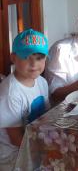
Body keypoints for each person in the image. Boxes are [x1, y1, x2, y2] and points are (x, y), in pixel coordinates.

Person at [0, 29, 49, 170]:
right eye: (27, 57)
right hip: (14, 157)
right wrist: (45, 149)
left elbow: (45, 116)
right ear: (13, 58)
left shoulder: (42, 82)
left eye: (39, 58)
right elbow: (15, 138)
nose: (34, 64)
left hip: (35, 143)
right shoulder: (10, 93)